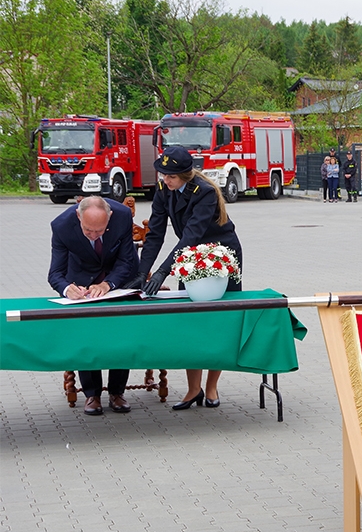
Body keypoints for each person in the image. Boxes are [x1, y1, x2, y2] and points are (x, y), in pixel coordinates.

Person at [124, 145, 243, 410]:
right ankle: (193, 390)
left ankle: (211, 387)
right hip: (189, 256)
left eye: (171, 176)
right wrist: (144, 272)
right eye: (163, 174)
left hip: (219, 255)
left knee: (216, 321)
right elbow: (155, 233)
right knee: (191, 321)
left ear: (186, 175)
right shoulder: (164, 190)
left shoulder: (206, 192)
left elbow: (190, 236)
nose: (165, 180)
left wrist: (164, 270)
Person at [48, 196, 138, 415]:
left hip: (117, 279)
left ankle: (117, 392)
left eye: (100, 231)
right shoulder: (61, 226)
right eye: (88, 230)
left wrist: (108, 284)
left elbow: (128, 260)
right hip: (81, 281)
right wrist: (67, 288)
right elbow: (55, 274)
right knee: (86, 335)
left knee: (120, 334)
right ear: (78, 216)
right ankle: (92, 395)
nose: (94, 235)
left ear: (110, 218)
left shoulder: (123, 216)